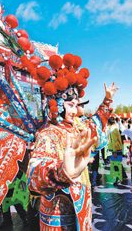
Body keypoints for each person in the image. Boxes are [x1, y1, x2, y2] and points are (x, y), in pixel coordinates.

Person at [27, 82, 118, 230]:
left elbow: (97, 121)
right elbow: (35, 170)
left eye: (76, 105)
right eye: (70, 105)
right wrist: (60, 172)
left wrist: (107, 99)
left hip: (81, 201)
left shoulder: (79, 129)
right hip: (57, 210)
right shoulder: (49, 133)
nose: (75, 111)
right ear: (58, 105)